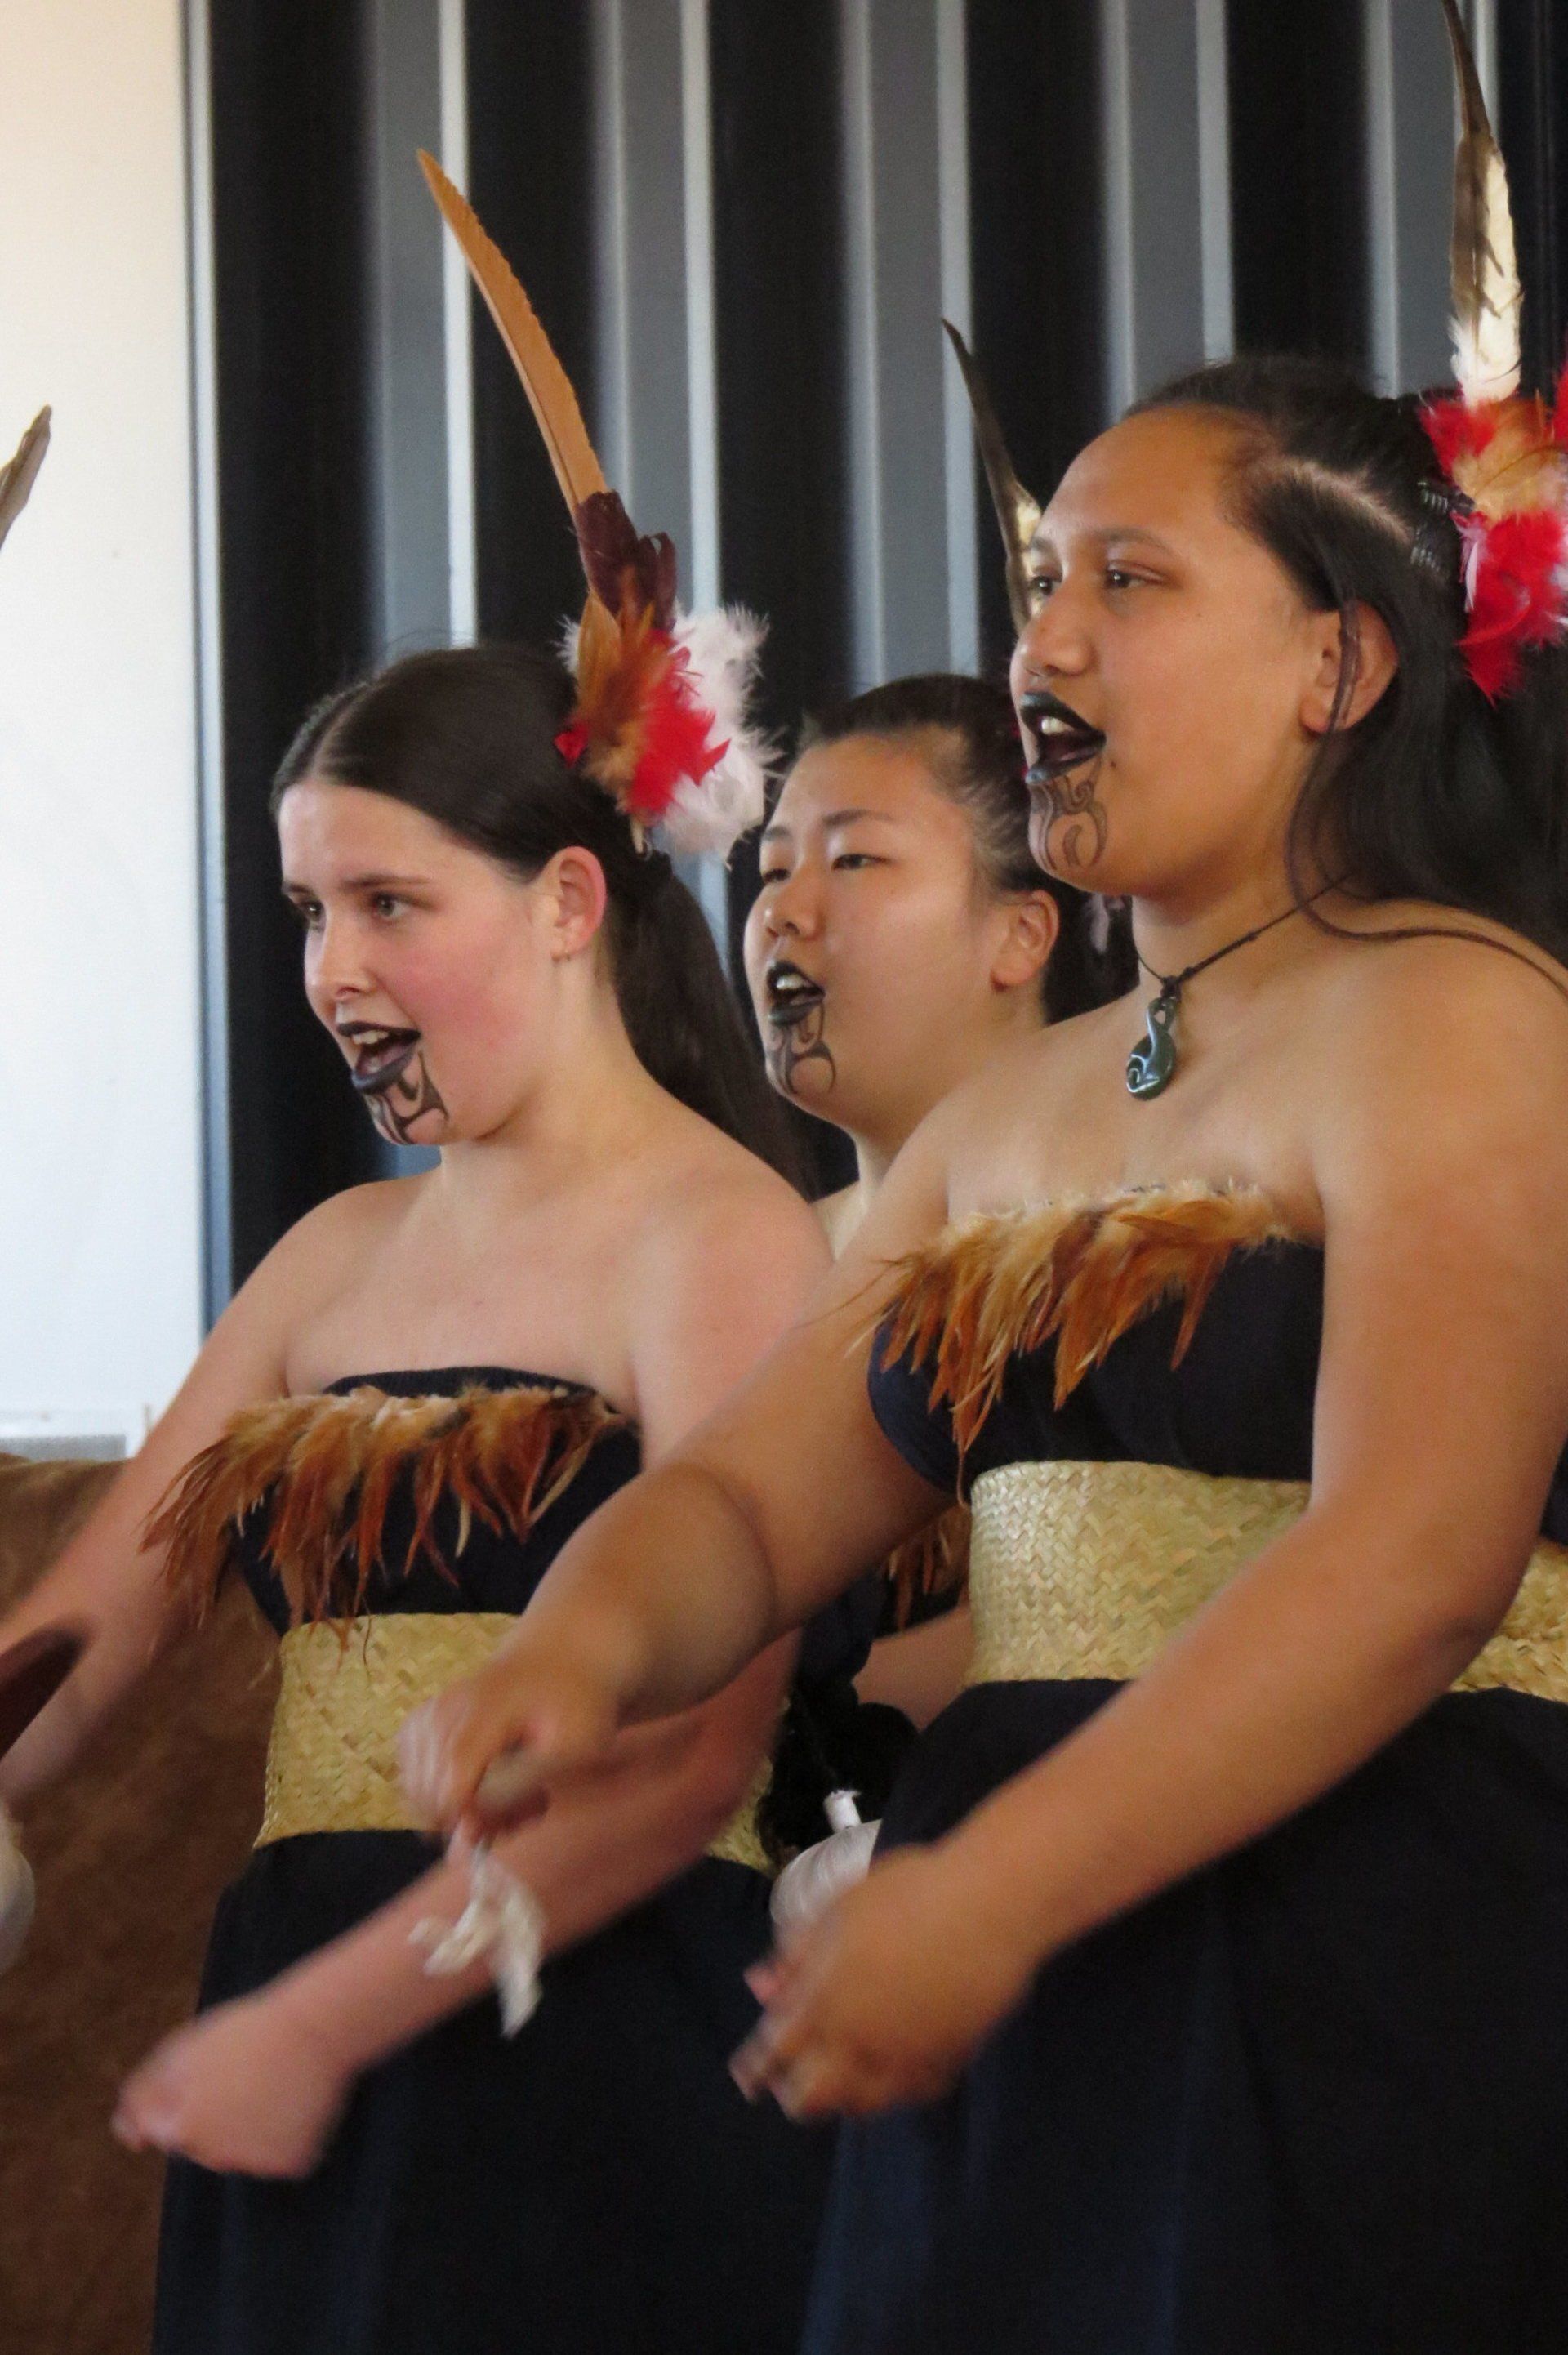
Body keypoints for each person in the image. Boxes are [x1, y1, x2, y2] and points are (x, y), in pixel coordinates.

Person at [397, 35, 1568, 2346]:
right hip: (1007, 1989)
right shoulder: (1009, 1123)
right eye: (1044, 584)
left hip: (1364, 1966)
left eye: (1124, 583)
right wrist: (578, 1645)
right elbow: (751, 1505)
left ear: (1339, 658)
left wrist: (998, 1885)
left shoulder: (1465, 1017)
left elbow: (1417, 1562)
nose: (1042, 642)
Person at [2, 636, 854, 2355]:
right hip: (296, 2005)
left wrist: (322, 2021)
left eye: (389, 903)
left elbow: (701, 1747)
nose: (333, 967)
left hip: (581, 2022)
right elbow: (80, 1637)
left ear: (562, 899)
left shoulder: (721, 1232)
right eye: (312, 910)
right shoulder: (330, 1256)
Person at [743, 670, 1129, 1724]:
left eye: (855, 858)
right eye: (772, 868)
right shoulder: (755, 1256)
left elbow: (1124, 1599)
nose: (785, 910)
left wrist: (761, 1719)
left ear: (1022, 934)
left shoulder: (1126, 1237)